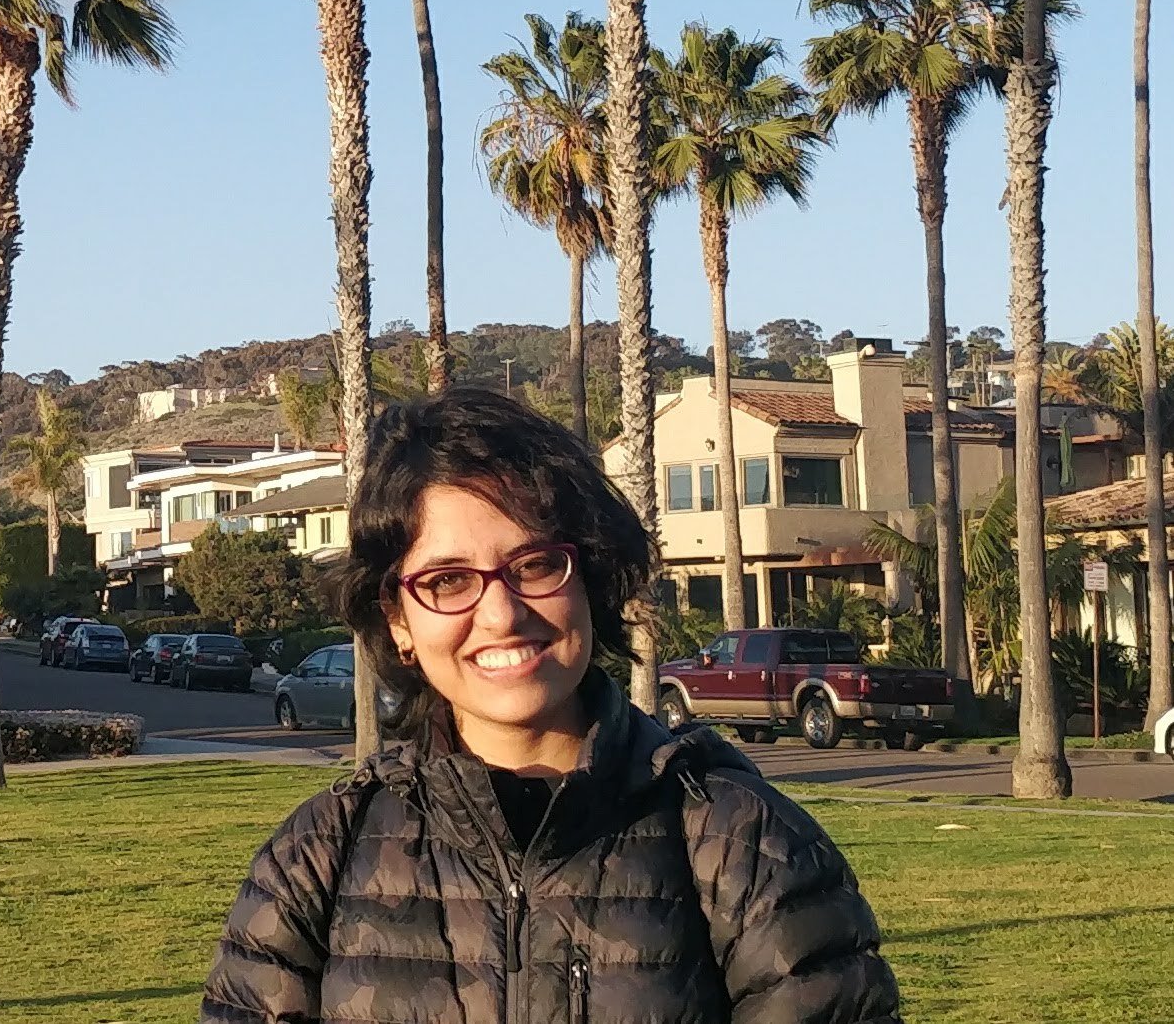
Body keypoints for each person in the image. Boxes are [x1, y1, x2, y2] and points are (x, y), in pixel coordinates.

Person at [200, 388, 901, 1024]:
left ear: (589, 578)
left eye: (534, 565)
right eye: (447, 581)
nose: (501, 614)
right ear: (398, 622)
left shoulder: (742, 844)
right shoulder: (318, 857)